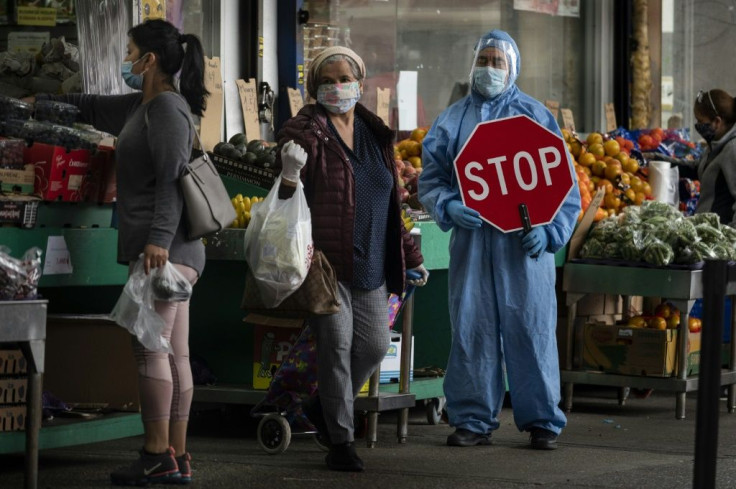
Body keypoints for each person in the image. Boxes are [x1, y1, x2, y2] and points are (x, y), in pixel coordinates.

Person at [23, 19, 209, 485]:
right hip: (171, 250)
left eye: (129, 52)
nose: (124, 60)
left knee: (150, 350)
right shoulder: (141, 105)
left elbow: (172, 180)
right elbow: (88, 107)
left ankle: (155, 454)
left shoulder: (165, 109)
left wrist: (157, 243)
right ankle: (176, 456)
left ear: (149, 60)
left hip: (165, 250)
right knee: (174, 355)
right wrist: (35, 104)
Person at [417, 29, 580, 450]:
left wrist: (550, 233)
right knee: (472, 329)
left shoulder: (535, 116)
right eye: (484, 60)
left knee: (531, 328)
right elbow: (431, 180)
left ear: (514, 69)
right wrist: (447, 206)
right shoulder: (450, 121)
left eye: (498, 62)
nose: (489, 69)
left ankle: (543, 420)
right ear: (472, 64)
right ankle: (472, 419)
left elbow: (564, 188)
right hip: (472, 247)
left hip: (524, 249)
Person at [274, 45, 429, 472]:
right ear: (315, 88)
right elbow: (285, 199)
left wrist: (411, 256)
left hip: (372, 263)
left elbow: (391, 202)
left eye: (345, 79)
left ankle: (324, 410)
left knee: (375, 345)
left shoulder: (374, 131)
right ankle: (341, 441)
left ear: (360, 84)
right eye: (328, 80)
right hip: (327, 264)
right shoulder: (304, 131)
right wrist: (288, 174)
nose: (337, 87)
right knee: (336, 346)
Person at [646, 89, 736, 227]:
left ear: (717, 122)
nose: (698, 126)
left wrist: (729, 240)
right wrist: (654, 159)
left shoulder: (732, 150)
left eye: (701, 121)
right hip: (706, 232)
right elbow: (697, 168)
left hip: (719, 238)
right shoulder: (716, 143)